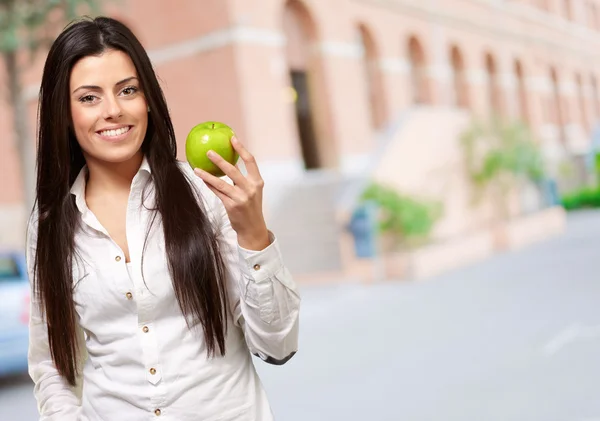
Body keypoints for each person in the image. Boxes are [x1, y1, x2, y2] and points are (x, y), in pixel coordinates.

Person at [26, 15, 300, 421]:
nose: (113, 110)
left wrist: (253, 233)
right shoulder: (50, 225)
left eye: (128, 90)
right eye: (89, 97)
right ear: (64, 114)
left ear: (148, 98)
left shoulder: (205, 193)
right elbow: (52, 364)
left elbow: (277, 344)